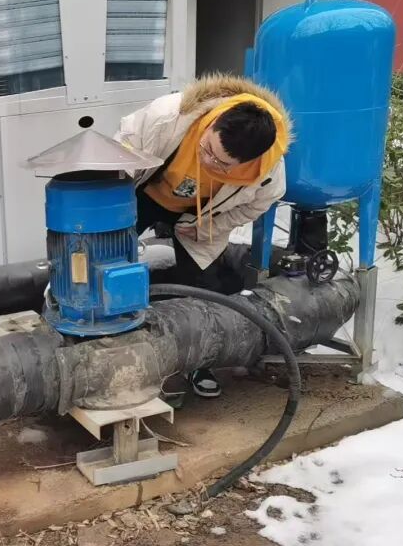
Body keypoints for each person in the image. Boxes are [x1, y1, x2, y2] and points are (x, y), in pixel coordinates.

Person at [116, 74, 292, 399]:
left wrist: (207, 227)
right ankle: (110, 348)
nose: (207, 160)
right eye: (206, 148)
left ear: (248, 162)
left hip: (202, 215)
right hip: (145, 193)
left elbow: (253, 207)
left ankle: (200, 362)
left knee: (201, 286)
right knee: (111, 262)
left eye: (221, 163)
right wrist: (113, 206)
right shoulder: (169, 116)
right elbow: (121, 154)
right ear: (213, 121)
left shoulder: (267, 173)